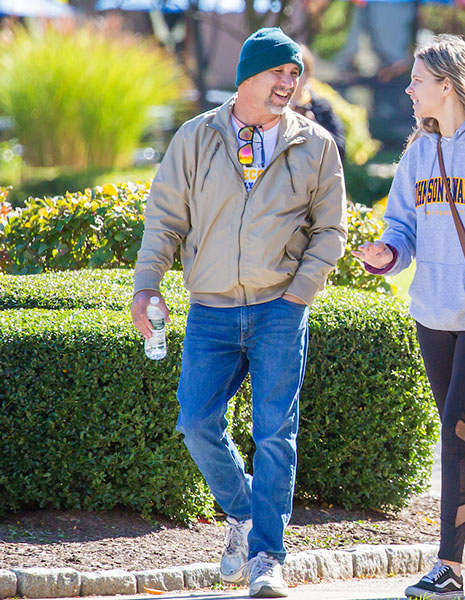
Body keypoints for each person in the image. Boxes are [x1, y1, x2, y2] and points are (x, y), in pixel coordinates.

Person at [131, 27, 346, 598]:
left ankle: (268, 559)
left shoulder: (316, 144)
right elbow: (166, 220)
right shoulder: (196, 138)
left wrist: (299, 293)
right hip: (211, 309)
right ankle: (248, 514)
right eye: (278, 72)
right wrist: (146, 285)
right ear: (248, 75)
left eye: (294, 73)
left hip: (281, 307)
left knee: (275, 433)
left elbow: (330, 232)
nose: (288, 83)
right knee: (196, 422)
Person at [352, 34, 465, 599]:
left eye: (417, 80)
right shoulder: (418, 153)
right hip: (431, 313)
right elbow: (401, 225)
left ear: (448, 84)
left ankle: (449, 568)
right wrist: (389, 253)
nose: (408, 89)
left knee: (457, 434)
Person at [291, 44, 347, 162]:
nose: (294, 77)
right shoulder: (274, 107)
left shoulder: (321, 107)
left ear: (309, 73)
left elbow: (339, 150)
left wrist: (313, 125)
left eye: (300, 70)